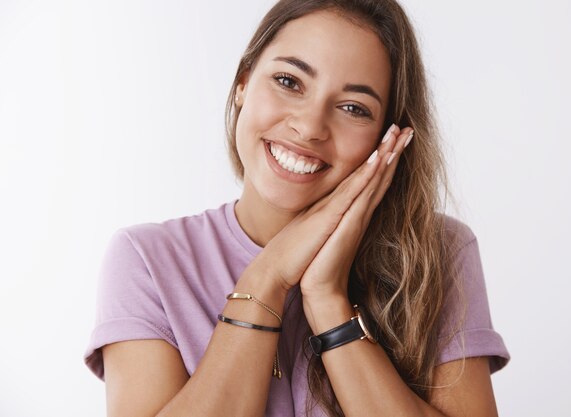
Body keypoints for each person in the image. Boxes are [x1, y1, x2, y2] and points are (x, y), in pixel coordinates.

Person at [84, 0, 510, 416]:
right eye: (289, 82)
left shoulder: (437, 251)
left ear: (388, 137)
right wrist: (268, 276)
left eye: (353, 108)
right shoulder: (147, 260)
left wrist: (328, 301)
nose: (308, 127)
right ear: (243, 85)